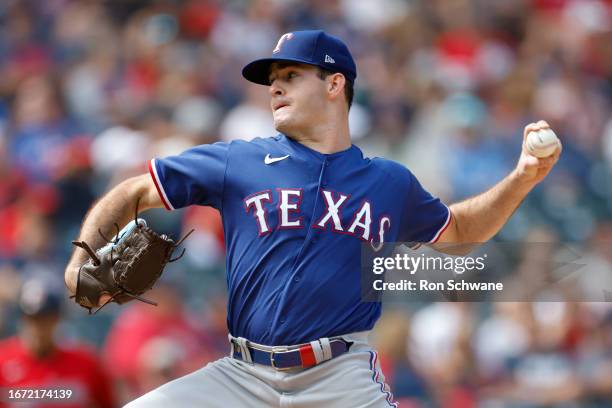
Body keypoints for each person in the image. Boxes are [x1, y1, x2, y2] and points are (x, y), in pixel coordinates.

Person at [64, 29, 561, 407]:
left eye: (290, 77)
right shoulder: (241, 160)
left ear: (335, 84)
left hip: (339, 378)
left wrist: (522, 177)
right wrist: (81, 257)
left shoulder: (388, 181)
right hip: (242, 376)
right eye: (272, 81)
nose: (274, 89)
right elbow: (135, 190)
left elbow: (459, 234)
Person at [0, 278, 114, 408]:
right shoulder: (2, 361)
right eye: (33, 319)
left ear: (57, 319)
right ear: (22, 319)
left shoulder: (86, 363)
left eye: (46, 319)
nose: (38, 327)